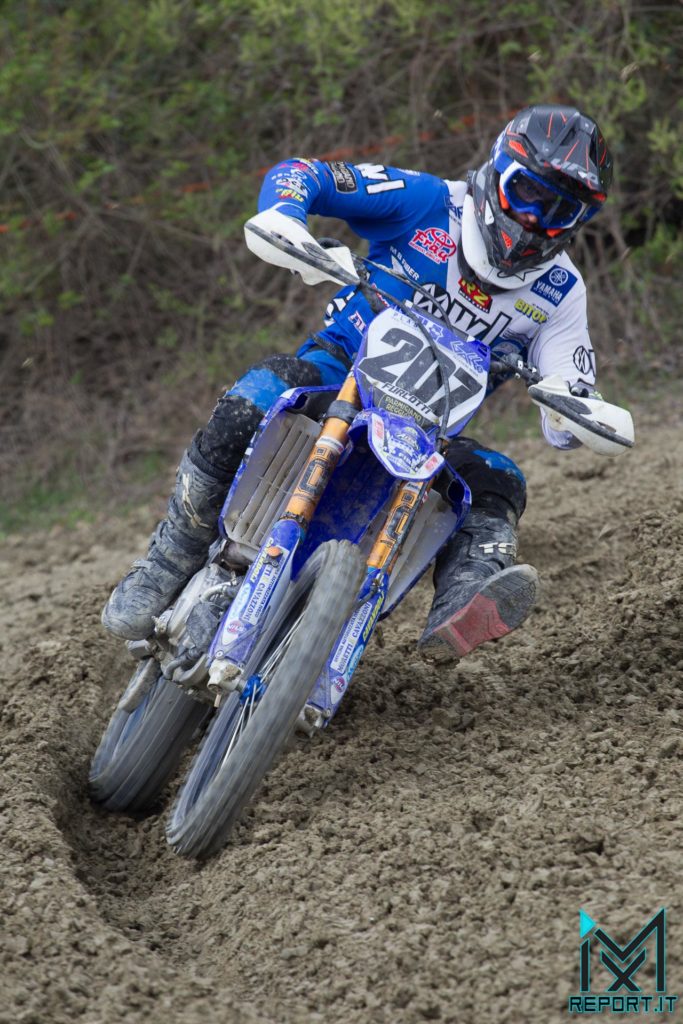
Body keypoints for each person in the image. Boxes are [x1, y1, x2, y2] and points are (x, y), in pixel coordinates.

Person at [102, 104, 613, 661]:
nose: (536, 219)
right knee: (260, 393)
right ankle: (172, 555)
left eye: (560, 211)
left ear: (578, 221)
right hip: (335, 378)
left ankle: (464, 602)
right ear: (497, 171)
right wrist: (287, 217)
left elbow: (571, 389)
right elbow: (306, 174)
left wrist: (575, 411)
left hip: (428, 434)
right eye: (528, 193)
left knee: (500, 479)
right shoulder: (426, 202)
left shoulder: (561, 292)